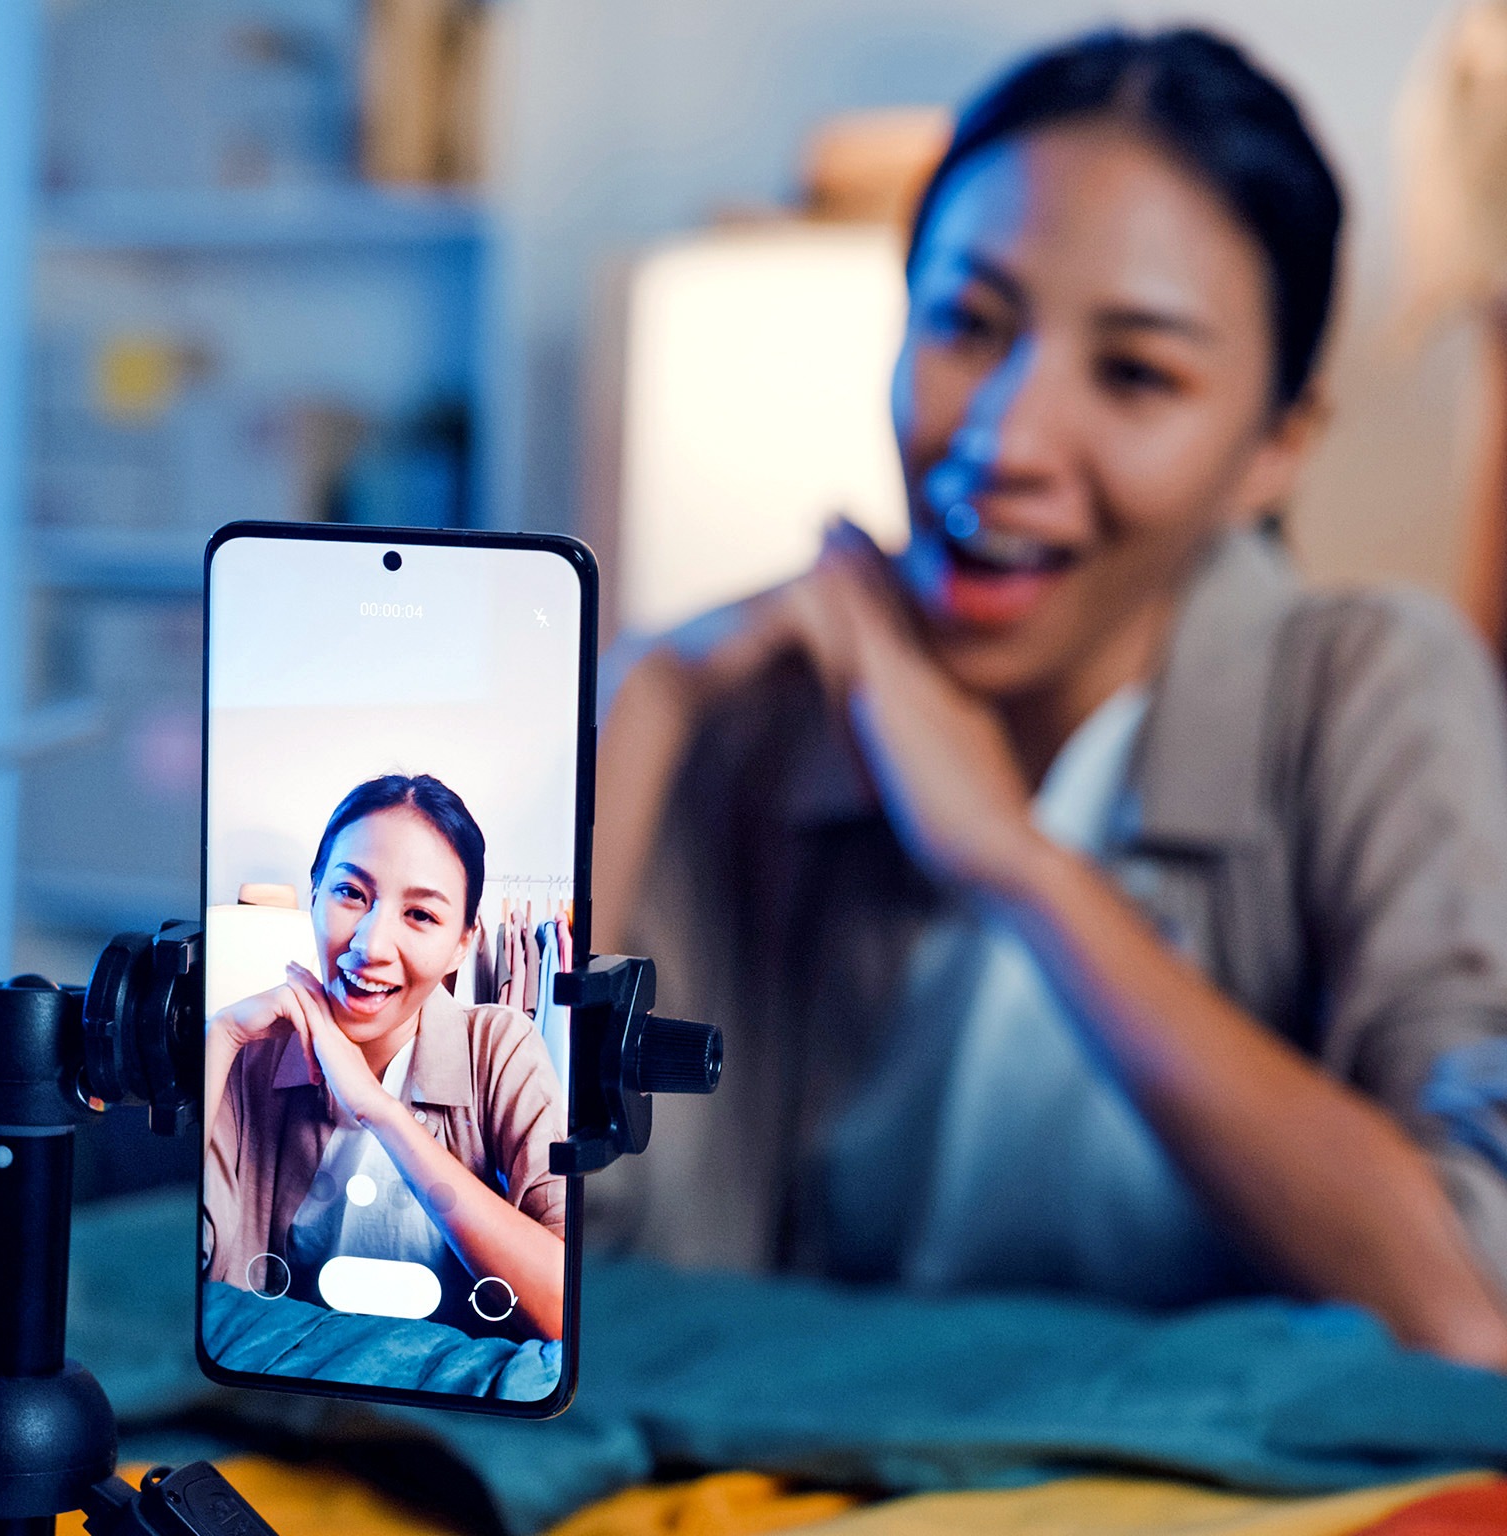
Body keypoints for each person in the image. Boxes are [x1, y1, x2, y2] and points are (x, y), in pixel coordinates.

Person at [592, 26, 1507, 1368]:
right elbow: (490, 1261)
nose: (1002, 443)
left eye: (1135, 373)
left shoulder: (1367, 686)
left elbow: (1463, 1308)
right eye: (967, 325)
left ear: (1275, 450)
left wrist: (1018, 864)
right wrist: (647, 701)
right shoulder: (757, 724)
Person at [203, 773, 566, 1344]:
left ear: (463, 943)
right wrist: (218, 1037)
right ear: (315, 894)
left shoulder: (500, 1049)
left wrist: (378, 1110)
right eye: (351, 894)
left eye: (420, 915)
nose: (370, 946)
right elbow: (177, 1269)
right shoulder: (249, 1059)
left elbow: (563, 1307)